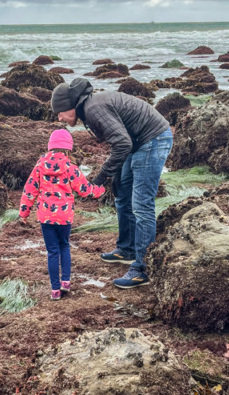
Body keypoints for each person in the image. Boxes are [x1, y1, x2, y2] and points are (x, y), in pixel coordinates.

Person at [51, 77, 173, 289]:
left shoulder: (93, 110)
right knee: (122, 196)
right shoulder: (89, 108)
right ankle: (126, 249)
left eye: (60, 112)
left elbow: (122, 143)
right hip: (136, 143)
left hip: (153, 139)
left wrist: (101, 176)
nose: (60, 118)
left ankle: (142, 269)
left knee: (142, 205)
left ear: (70, 106)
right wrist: (115, 176)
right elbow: (123, 141)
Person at [19, 128, 105, 300]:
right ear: (68, 148)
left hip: (46, 217)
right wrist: (100, 190)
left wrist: (24, 212)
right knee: (64, 245)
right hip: (65, 217)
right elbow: (84, 189)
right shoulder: (70, 167)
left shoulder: (39, 166)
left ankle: (55, 291)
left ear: (50, 147)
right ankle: (66, 281)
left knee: (52, 251)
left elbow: (30, 190)